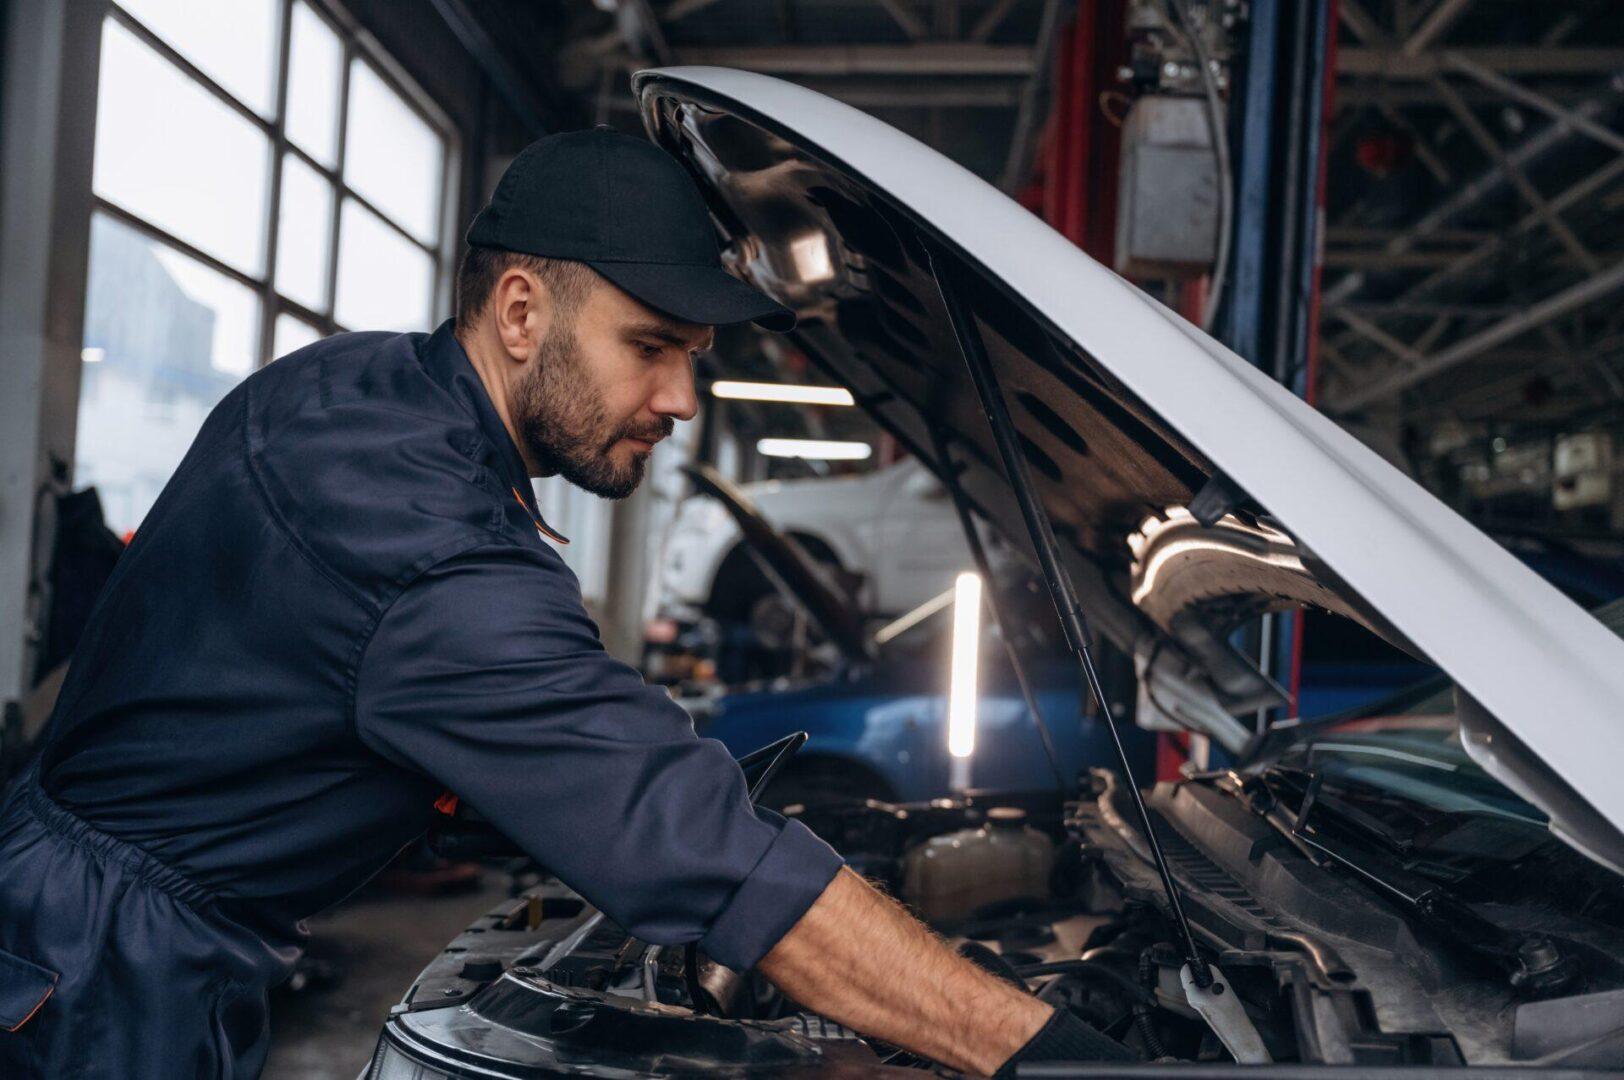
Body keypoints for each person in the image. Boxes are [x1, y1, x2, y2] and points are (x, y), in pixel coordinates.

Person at [0, 129, 1132, 1078]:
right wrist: (1048, 1052)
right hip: (102, 975)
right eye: (650, 348)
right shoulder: (420, 534)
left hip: (96, 928)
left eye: (691, 355)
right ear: (522, 310)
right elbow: (692, 844)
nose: (682, 398)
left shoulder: (353, 394)